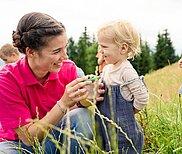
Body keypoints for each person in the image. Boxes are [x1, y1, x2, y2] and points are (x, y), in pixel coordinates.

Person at [0, 12, 104, 154]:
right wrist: (63, 103)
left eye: (65, 48)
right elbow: (28, 138)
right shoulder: (7, 80)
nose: (65, 56)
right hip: (19, 145)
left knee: (82, 115)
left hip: (55, 139)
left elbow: (76, 114)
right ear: (31, 52)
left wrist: (88, 97)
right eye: (56, 51)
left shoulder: (69, 69)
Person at [95, 19, 149, 153]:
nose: (101, 51)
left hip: (123, 130)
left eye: (104, 47)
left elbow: (142, 97)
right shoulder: (107, 69)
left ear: (123, 48)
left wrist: (131, 112)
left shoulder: (127, 71)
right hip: (105, 127)